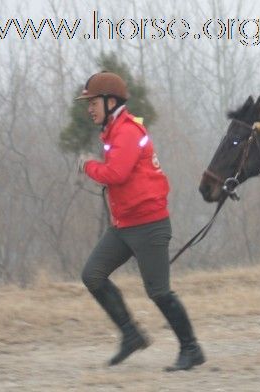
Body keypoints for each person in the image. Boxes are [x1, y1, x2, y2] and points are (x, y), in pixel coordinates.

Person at [75, 71, 205, 371]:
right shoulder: (114, 130)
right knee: (93, 275)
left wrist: (88, 165)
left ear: (110, 101)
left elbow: (116, 174)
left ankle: (191, 349)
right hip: (124, 226)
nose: (89, 108)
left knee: (159, 291)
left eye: (92, 102)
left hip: (149, 226)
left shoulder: (127, 132)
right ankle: (131, 335)